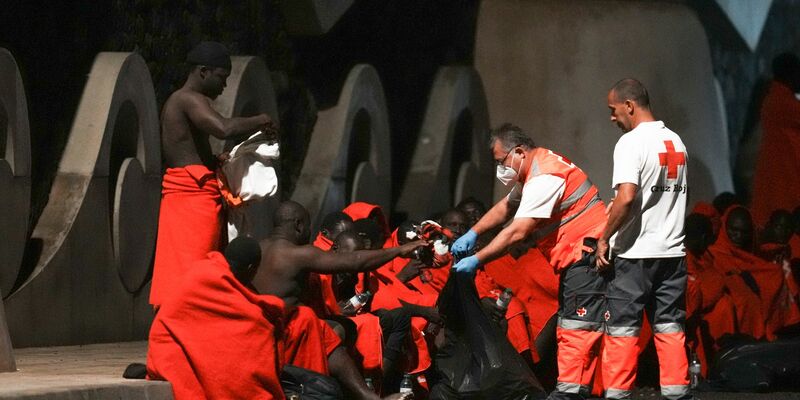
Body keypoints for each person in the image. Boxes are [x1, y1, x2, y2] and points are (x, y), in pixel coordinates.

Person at [450, 123, 608, 400]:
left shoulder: (545, 177)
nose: (500, 169)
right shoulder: (535, 169)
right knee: (573, 326)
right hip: (577, 256)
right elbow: (506, 207)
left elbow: (517, 231)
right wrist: (474, 233)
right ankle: (572, 392)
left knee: (576, 328)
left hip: (584, 255)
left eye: (501, 161)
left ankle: (569, 394)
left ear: (519, 152)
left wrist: (476, 258)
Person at [149, 41, 277, 308]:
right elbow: (222, 128)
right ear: (203, 72)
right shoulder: (187, 99)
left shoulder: (181, 101)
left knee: (191, 267)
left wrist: (214, 161)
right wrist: (260, 120)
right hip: (191, 196)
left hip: (191, 193)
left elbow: (188, 147)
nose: (225, 86)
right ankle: (184, 324)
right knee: (196, 269)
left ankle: (185, 324)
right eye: (222, 78)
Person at [252, 201, 422, 400]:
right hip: (283, 330)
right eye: (308, 226)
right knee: (327, 333)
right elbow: (354, 261)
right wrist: (399, 250)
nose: (310, 232)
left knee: (340, 327)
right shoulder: (297, 253)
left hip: (256, 324)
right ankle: (368, 396)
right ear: (298, 225)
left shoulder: (256, 248)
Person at [595, 78, 691, 400]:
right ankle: (678, 395)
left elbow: (626, 198)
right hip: (673, 254)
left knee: (622, 331)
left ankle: (617, 396)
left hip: (636, 256)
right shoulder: (676, 142)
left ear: (630, 106)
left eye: (613, 110)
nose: (612, 117)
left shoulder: (631, 143)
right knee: (670, 329)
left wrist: (604, 237)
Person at [146, 237, 284, 399]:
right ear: (251, 268)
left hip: (163, 347)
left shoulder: (200, 270)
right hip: (170, 347)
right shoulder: (214, 280)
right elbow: (255, 326)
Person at [708, 206, 800, 340]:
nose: (738, 236)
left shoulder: (754, 254)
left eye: (744, 232)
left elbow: (762, 269)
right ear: (724, 227)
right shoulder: (712, 254)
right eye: (733, 230)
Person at [751, 53, 800, 225]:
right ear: (790, 74)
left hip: (781, 174)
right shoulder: (783, 102)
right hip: (785, 177)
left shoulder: (775, 98)